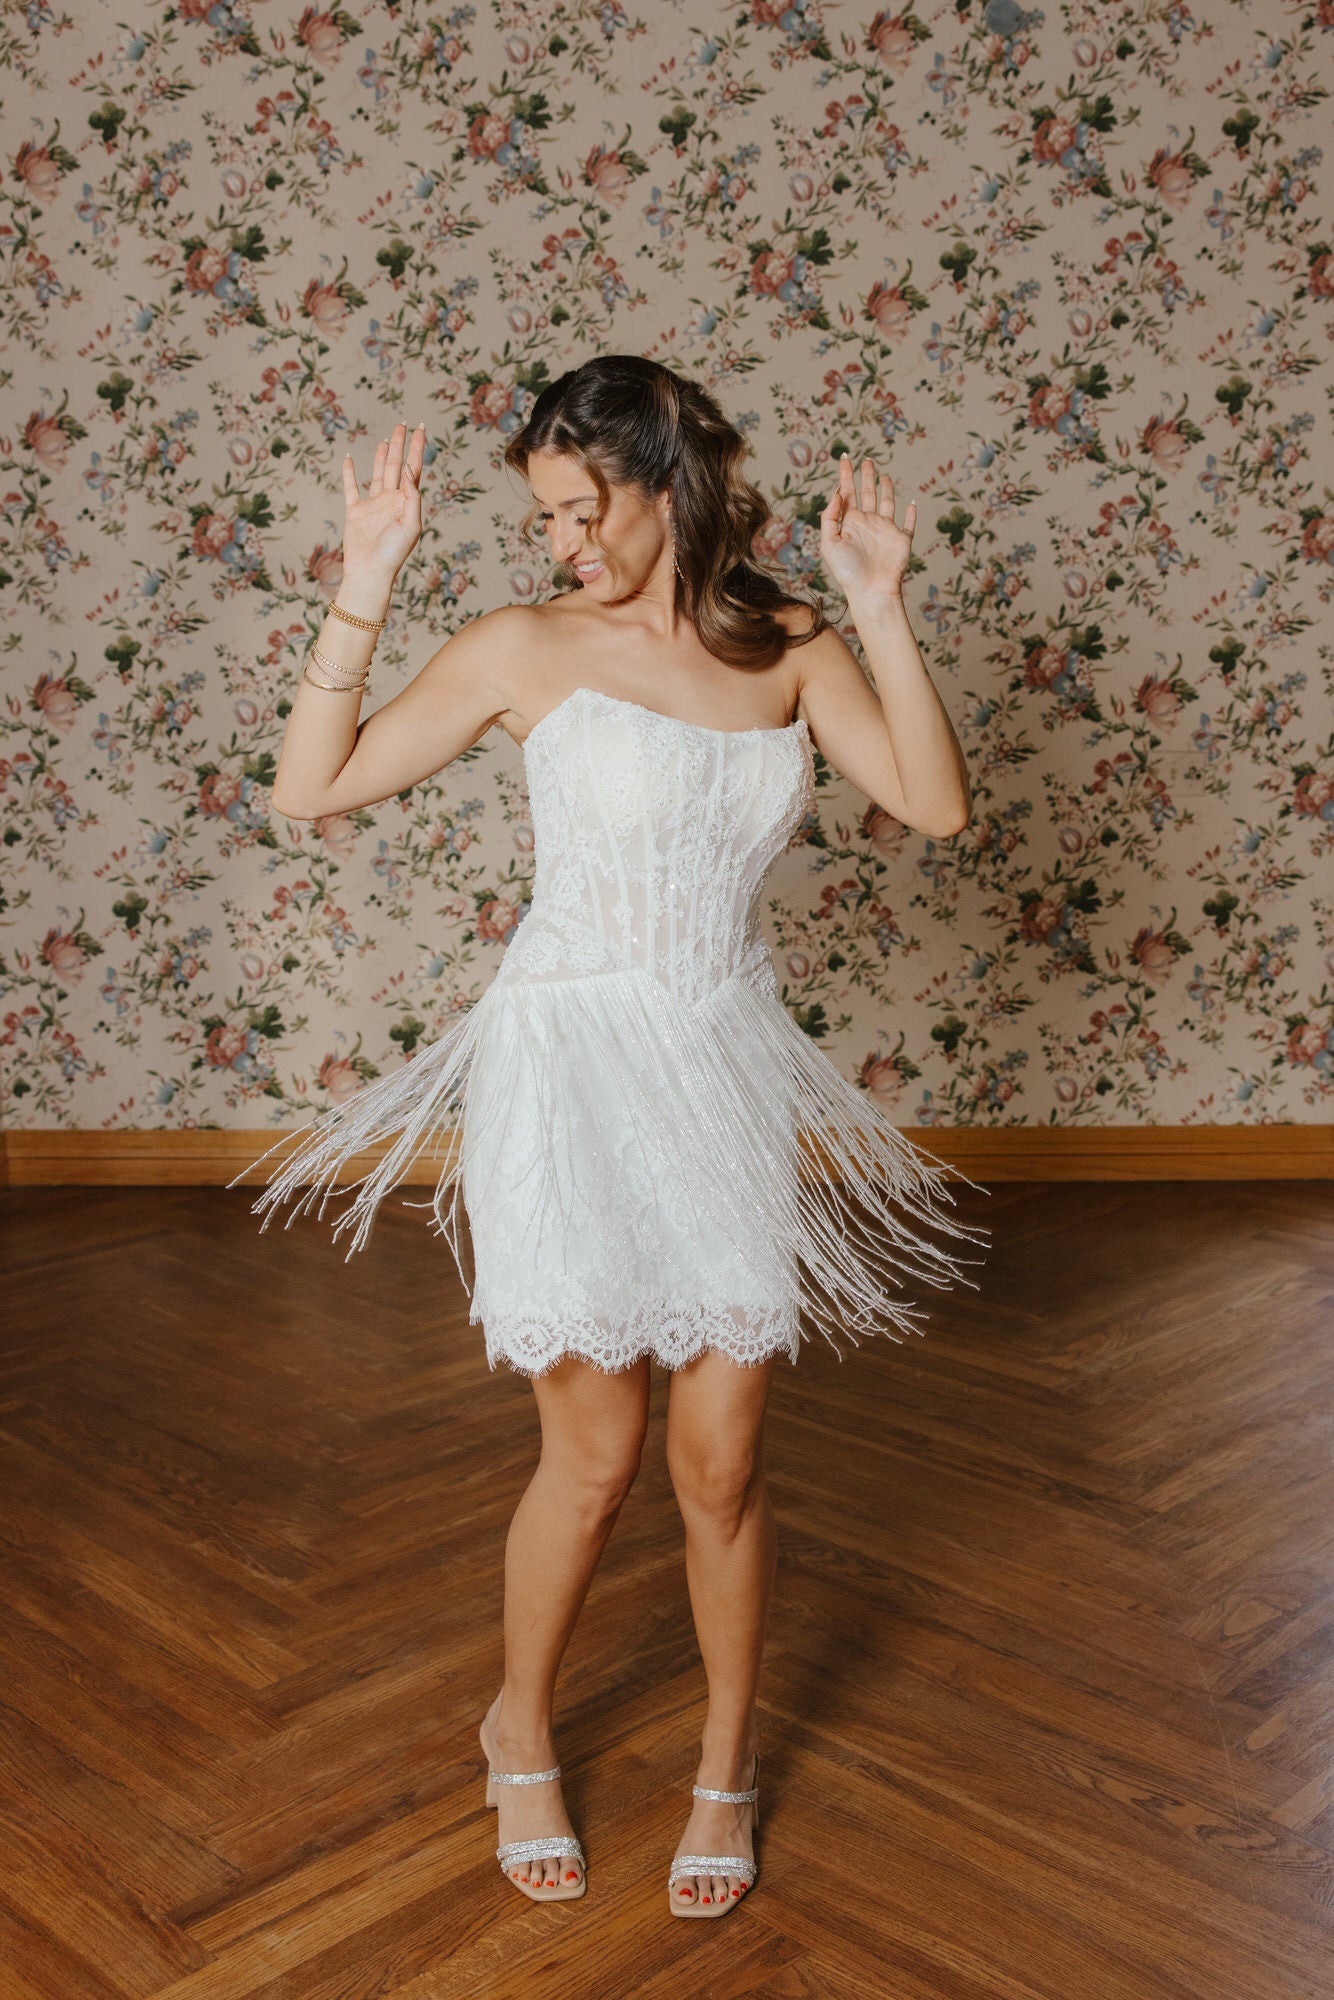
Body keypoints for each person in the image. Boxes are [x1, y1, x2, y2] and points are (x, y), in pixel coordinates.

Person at [231, 355, 990, 1919]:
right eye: (544, 515)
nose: (563, 539)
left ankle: (724, 1766)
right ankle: (516, 1726)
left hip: (719, 1073)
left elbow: (934, 807)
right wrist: (362, 585)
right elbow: (311, 789)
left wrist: (880, 600)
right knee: (594, 1460)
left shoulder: (787, 644)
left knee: (720, 1468)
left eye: (583, 509)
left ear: (669, 484)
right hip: (565, 1072)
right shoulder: (522, 646)